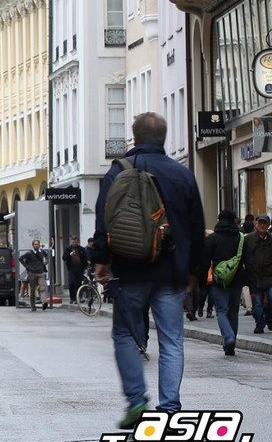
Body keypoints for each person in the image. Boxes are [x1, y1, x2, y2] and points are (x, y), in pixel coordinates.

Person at [92, 112, 206, 429]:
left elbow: (104, 221)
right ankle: (169, 409)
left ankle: (137, 401)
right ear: (164, 139)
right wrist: (195, 269)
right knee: (171, 340)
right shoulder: (181, 175)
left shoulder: (118, 171)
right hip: (171, 274)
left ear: (135, 138)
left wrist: (101, 259)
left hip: (129, 270)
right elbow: (197, 228)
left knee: (125, 335)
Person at [206, 210, 246, 355]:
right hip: (236, 280)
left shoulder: (213, 238)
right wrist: (251, 282)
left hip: (219, 280)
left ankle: (228, 338)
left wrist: (200, 279)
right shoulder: (241, 238)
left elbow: (205, 260)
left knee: (222, 311)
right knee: (233, 312)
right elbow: (248, 261)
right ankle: (231, 342)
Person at [243, 214, 272, 334]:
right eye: (260, 223)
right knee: (257, 303)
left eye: (265, 223)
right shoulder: (249, 239)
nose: (262, 225)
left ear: (268, 225)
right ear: (256, 224)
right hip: (255, 277)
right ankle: (259, 324)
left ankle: (270, 318)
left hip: (270, 276)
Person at [20, 239, 49, 311]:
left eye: (38, 244)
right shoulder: (29, 253)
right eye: (35, 244)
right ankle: (33, 306)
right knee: (32, 290)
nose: (36, 245)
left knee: (43, 288)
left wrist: (46, 261)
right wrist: (26, 266)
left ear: (39, 245)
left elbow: (47, 255)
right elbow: (20, 258)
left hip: (41, 272)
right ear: (33, 245)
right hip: (32, 273)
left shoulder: (42, 252)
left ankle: (43, 302)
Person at [63, 235, 87, 304]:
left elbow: (85, 259)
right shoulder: (68, 249)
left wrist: (85, 267)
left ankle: (78, 297)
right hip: (71, 269)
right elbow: (64, 257)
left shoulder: (81, 249)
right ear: (71, 242)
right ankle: (72, 297)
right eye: (73, 242)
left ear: (78, 242)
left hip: (80, 268)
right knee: (71, 283)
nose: (74, 244)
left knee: (79, 283)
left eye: (76, 242)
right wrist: (69, 255)